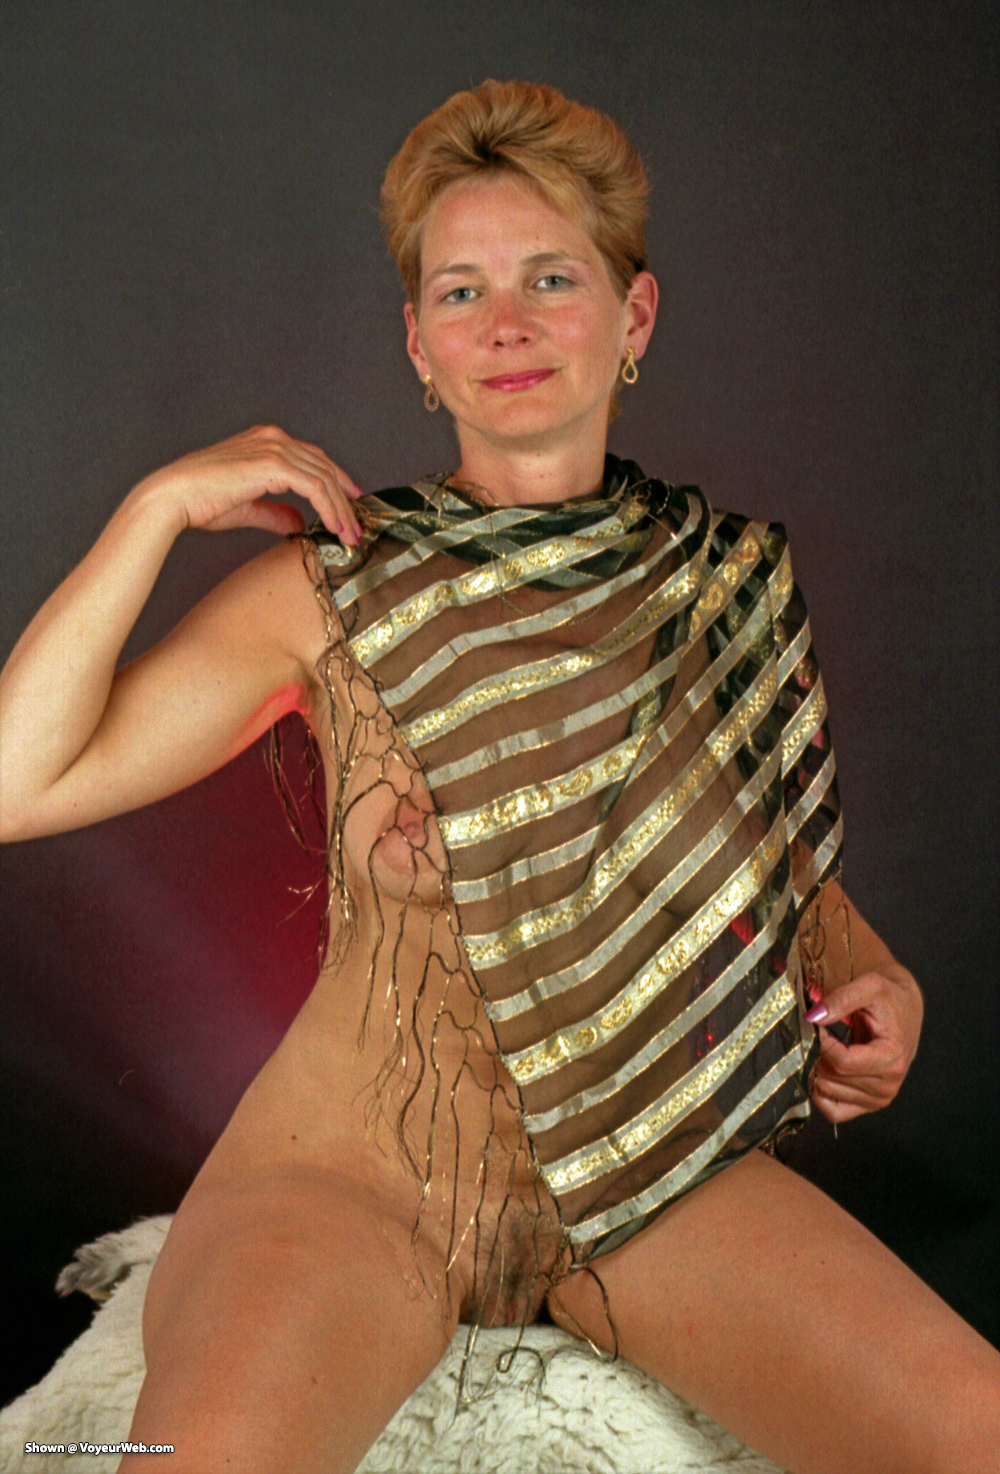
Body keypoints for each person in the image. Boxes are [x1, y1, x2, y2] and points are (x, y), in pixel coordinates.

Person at [0, 80, 996, 1474]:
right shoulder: (339, 585)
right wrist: (151, 512)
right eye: (461, 292)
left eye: (551, 279)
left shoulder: (719, 585)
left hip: (643, 1168)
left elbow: (763, 874)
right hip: (351, 1179)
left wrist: (873, 973)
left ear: (634, 316)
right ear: (420, 344)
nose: (507, 324)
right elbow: (17, 783)